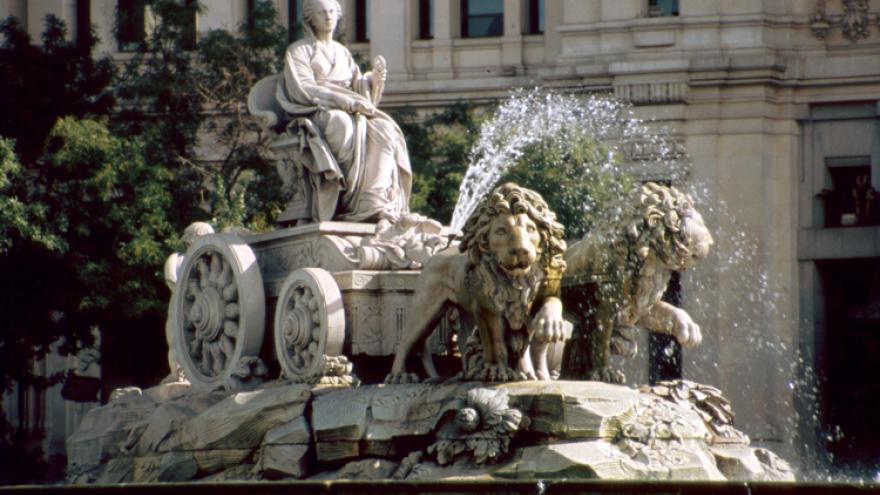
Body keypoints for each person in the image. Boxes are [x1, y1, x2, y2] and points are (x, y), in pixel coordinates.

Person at [276, 0, 412, 223]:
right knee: (341, 124)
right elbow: (304, 88)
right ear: (311, 18)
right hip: (316, 110)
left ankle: (371, 199)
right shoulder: (298, 51)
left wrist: (374, 81)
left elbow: (358, 86)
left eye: (331, 12)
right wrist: (343, 101)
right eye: (321, 13)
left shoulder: (342, 52)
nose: (328, 17)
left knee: (386, 128)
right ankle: (346, 202)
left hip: (351, 109)